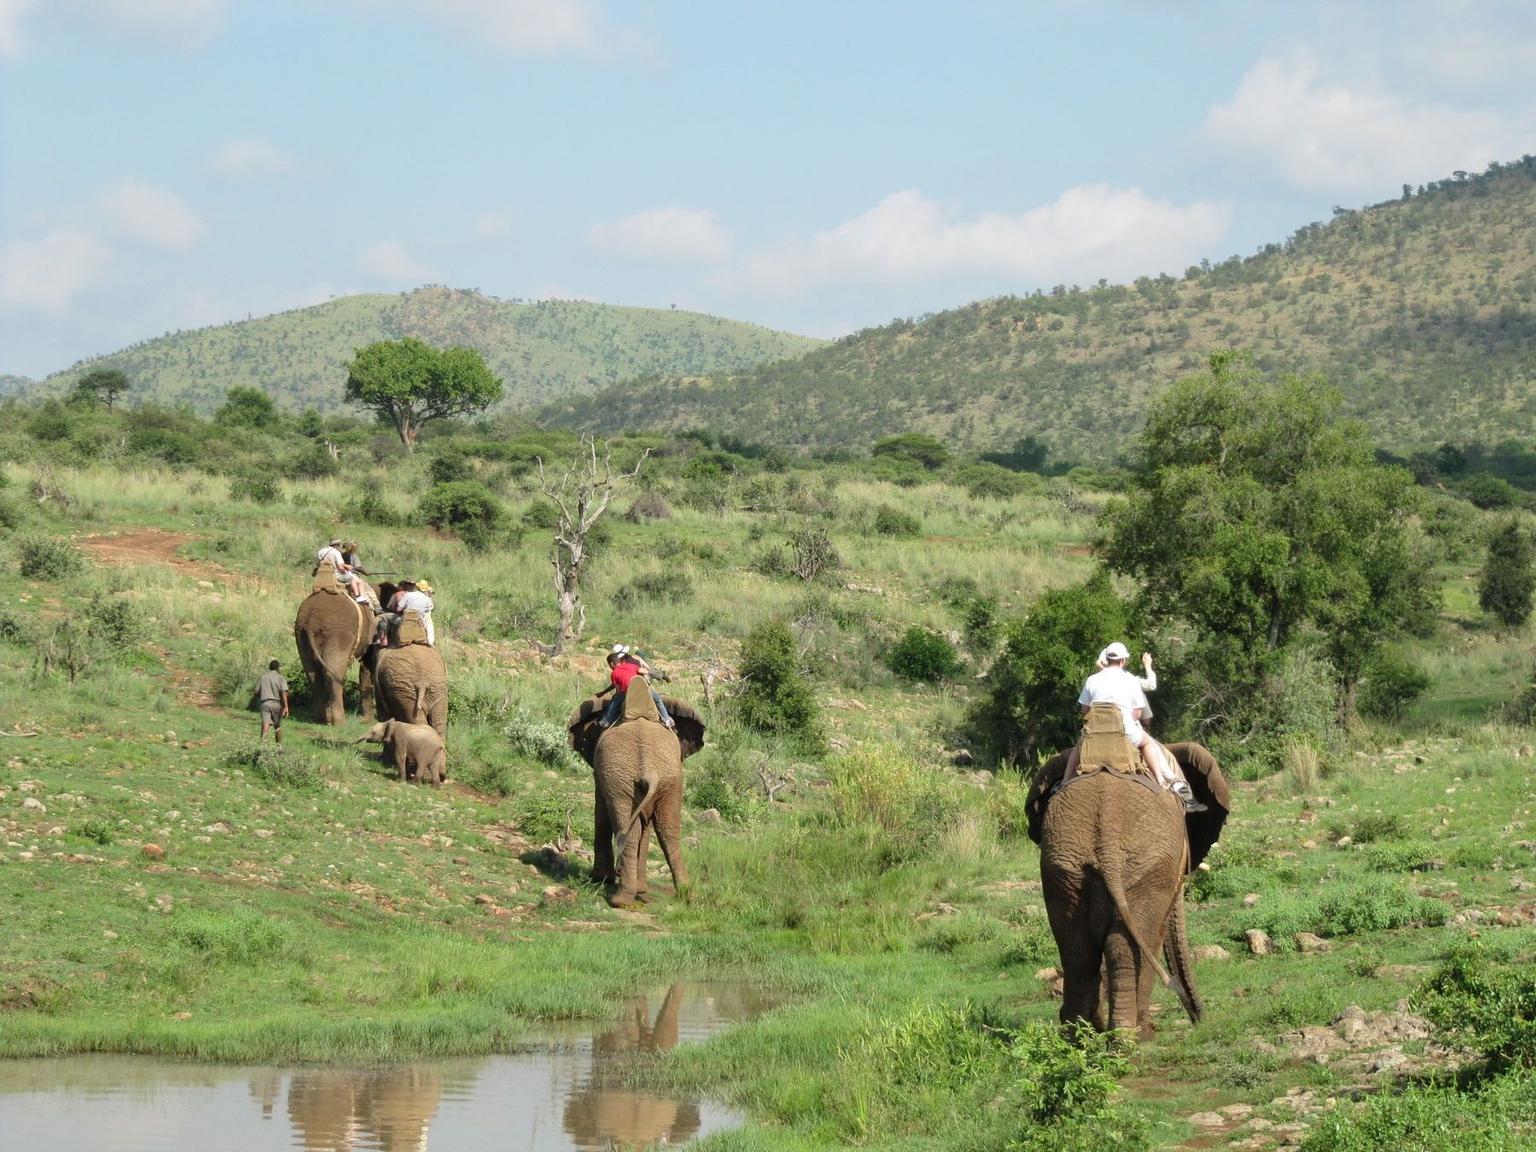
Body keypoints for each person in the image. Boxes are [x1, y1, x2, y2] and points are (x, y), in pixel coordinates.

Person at [1078, 642, 1204, 812]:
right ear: (1123, 661)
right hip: (1125, 730)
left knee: (1077, 749)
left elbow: (1084, 710)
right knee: (1148, 745)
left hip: (1095, 730)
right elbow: (1138, 712)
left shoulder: (1092, 680)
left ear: (1106, 660)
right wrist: (1147, 665)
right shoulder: (1131, 680)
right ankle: (1166, 782)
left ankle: (1064, 782)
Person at [599, 644, 674, 730]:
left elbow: (618, 690)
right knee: (657, 699)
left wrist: (616, 694)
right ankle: (666, 719)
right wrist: (660, 676)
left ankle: (606, 721)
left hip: (626, 692)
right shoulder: (633, 661)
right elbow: (646, 670)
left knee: (615, 702)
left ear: (612, 664)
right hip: (643, 688)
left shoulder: (614, 673)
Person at [257, 659, 289, 745]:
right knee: (277, 726)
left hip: (265, 703)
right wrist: (286, 706)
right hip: (276, 704)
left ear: (270, 667)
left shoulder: (263, 677)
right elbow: (284, 692)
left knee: (265, 724)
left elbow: (256, 691)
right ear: (278, 668)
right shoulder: (280, 677)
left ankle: (262, 747)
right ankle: (279, 747)